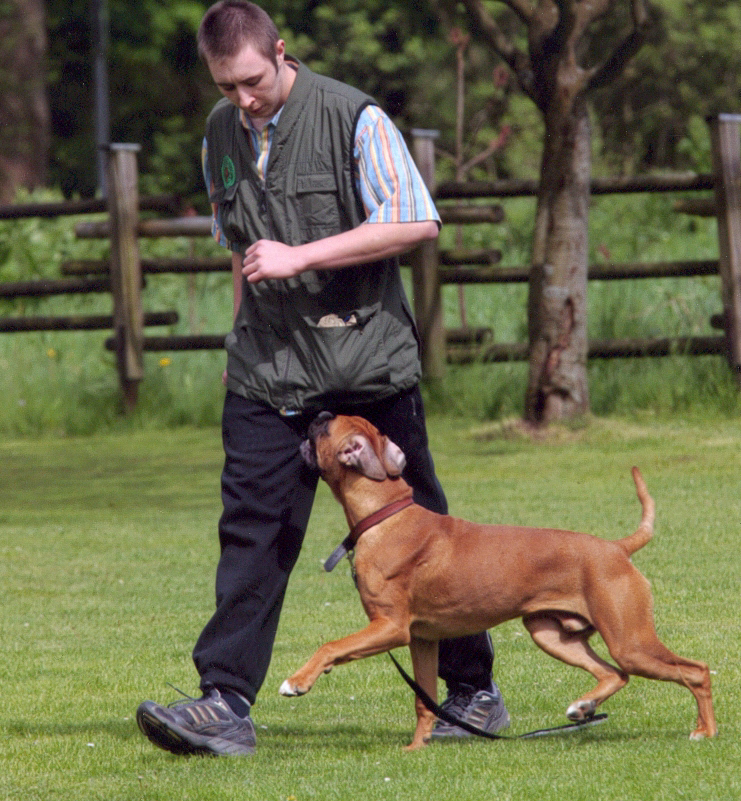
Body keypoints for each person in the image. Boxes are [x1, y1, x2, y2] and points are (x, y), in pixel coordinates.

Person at [136, 0, 509, 757]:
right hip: (267, 373)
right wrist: (243, 338)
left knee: (426, 535)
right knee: (254, 532)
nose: (241, 100)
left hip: (365, 369)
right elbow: (243, 244)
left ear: (280, 51)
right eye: (224, 86)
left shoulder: (353, 118)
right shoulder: (221, 134)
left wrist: (300, 255)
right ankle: (224, 703)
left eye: (250, 81)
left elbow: (415, 221)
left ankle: (471, 689)